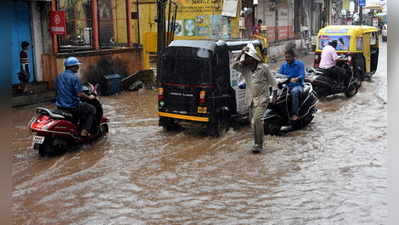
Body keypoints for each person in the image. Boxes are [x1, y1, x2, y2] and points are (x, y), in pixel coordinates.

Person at [233, 43, 277, 153]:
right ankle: (256, 142)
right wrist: (242, 52)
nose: (246, 59)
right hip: (251, 99)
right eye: (246, 57)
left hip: (262, 98)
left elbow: (273, 83)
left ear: (253, 58)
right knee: (253, 123)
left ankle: (259, 145)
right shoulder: (245, 69)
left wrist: (274, 95)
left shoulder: (263, 68)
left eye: (248, 57)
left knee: (257, 120)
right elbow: (233, 65)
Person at [55, 57, 96, 137]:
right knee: (91, 109)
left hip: (60, 106)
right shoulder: (74, 78)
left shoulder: (59, 76)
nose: (78, 67)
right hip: (72, 106)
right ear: (72, 67)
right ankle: (84, 131)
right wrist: (89, 97)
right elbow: (79, 94)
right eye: (77, 66)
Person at [278, 47, 305, 121]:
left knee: (294, 92)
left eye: (289, 57)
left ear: (293, 57)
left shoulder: (300, 64)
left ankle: (295, 114)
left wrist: (297, 79)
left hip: (298, 86)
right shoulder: (283, 66)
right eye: (286, 57)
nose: (287, 59)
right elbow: (278, 75)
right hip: (286, 86)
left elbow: (302, 75)